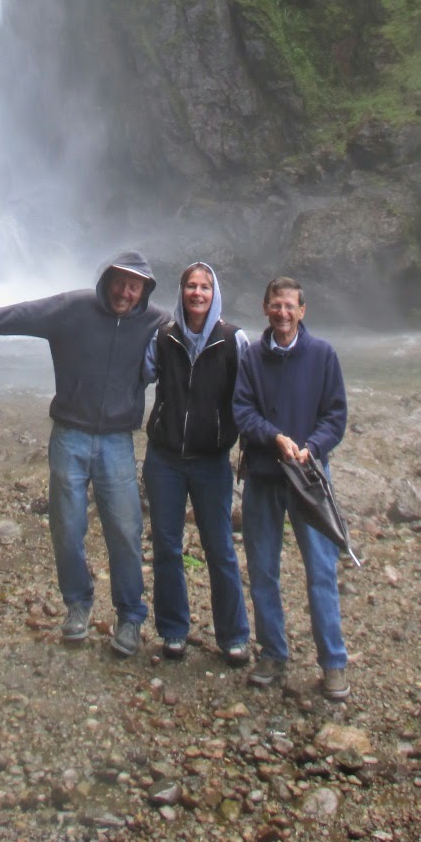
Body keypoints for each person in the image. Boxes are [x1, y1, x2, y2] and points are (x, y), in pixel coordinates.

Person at [0, 251, 169, 656]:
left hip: (118, 440)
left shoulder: (156, 322)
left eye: (135, 285)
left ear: (145, 290)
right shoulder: (73, 308)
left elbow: (205, 328)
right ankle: (77, 606)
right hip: (70, 434)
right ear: (107, 280)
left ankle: (131, 616)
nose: (125, 291)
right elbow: (22, 314)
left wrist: (246, 348)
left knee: (126, 531)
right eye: (120, 281)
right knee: (66, 529)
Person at [232, 276, 350, 698]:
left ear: (302, 311)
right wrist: (273, 436)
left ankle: (333, 663)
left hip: (310, 477)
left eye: (290, 306)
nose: (282, 313)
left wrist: (311, 448)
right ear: (265, 308)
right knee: (263, 570)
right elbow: (241, 409)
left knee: (321, 570)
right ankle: (272, 653)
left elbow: (336, 415)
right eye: (275, 305)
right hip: (264, 475)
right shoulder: (251, 358)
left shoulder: (322, 355)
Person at [142, 261, 251, 665]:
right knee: (167, 546)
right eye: (191, 286)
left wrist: (253, 446)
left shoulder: (232, 339)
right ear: (182, 291)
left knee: (220, 547)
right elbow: (141, 374)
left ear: (214, 293)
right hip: (165, 458)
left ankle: (234, 635)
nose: (198, 293)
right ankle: (173, 631)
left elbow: (250, 393)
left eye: (205, 287)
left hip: (211, 460)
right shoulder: (164, 336)